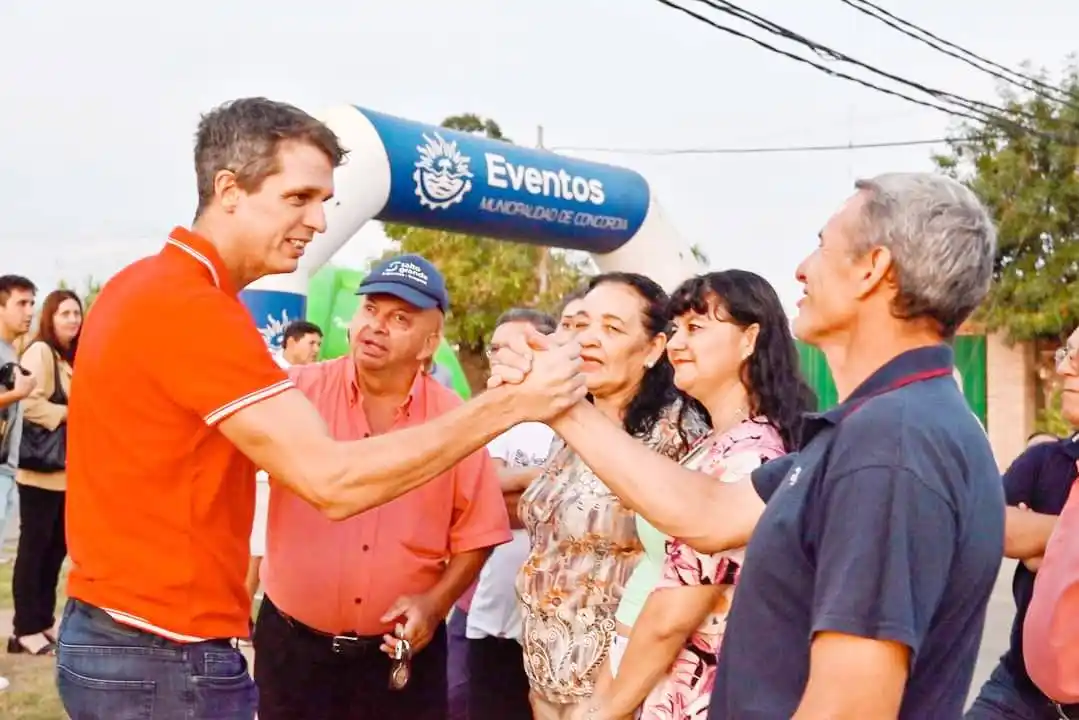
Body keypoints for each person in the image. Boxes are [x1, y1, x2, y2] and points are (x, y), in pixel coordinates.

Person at [55, 97, 586, 720]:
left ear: (430, 339)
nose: (318, 220)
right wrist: (510, 404)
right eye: (298, 197)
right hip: (162, 647)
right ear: (229, 190)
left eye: (326, 200)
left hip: (136, 636)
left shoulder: (150, 285)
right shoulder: (191, 307)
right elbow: (331, 480)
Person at [493, 172, 1002, 718]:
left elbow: (848, 705)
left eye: (822, 246)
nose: (801, 269)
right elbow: (708, 512)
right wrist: (560, 402)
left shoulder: (891, 444)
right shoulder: (876, 425)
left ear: (873, 269)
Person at [254, 254, 511, 719]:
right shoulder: (294, 393)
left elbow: (479, 532)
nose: (376, 326)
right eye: (370, 309)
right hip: (291, 650)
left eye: (400, 318)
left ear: (430, 343)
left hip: (400, 655)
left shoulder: (455, 422)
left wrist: (435, 604)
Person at [582, 270, 814, 720]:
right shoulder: (712, 443)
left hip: (691, 696)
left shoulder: (750, 458)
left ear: (749, 339)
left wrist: (602, 710)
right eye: (674, 329)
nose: (676, 343)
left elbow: (673, 618)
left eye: (695, 328)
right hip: (652, 683)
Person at [517, 273, 709, 720]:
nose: (589, 338)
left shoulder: (677, 439)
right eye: (582, 324)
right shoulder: (570, 422)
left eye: (612, 328)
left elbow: (683, 586)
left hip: (619, 692)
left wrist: (608, 703)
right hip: (546, 679)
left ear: (654, 349)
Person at [449, 308, 561, 720]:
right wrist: (551, 478)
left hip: (552, 619)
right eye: (494, 348)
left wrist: (519, 493)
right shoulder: (485, 417)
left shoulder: (576, 417)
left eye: (509, 348)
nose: (497, 357)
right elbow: (479, 494)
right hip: (481, 605)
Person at [965, 329, 1079, 719]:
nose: (1063, 369)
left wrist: (1044, 544)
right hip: (1020, 691)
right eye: (1065, 355)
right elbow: (985, 524)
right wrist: (1067, 542)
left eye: (1077, 360)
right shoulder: (1047, 460)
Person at [10, 290, 82, 657]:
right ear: (50, 318)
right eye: (64, 313)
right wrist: (69, 413)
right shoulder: (40, 352)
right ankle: (24, 628)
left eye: (76, 313)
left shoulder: (67, 358)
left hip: (65, 475)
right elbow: (26, 402)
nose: (72, 319)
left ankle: (42, 619)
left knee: (55, 550)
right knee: (34, 550)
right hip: (40, 473)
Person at [246, 320, 323, 608]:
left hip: (293, 477)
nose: (316, 349)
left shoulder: (315, 378)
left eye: (318, 344)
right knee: (254, 551)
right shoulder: (267, 371)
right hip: (262, 476)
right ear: (291, 342)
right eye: (311, 343)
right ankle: (242, 616)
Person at [0, 276, 36, 561]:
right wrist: (17, 394)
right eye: (21, 303)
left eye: (32, 303)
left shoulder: (10, 351)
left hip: (8, 470)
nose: (29, 311)